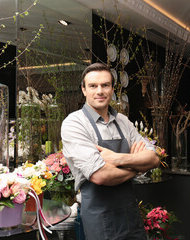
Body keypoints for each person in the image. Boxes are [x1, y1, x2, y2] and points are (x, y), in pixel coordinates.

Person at [61, 62, 159, 240]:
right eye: (93, 86)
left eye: (105, 85)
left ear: (112, 88)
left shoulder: (123, 121)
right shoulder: (74, 123)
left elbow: (153, 158)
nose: (99, 91)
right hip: (99, 218)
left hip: (131, 214)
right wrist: (137, 165)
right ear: (84, 89)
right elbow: (101, 176)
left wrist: (116, 158)